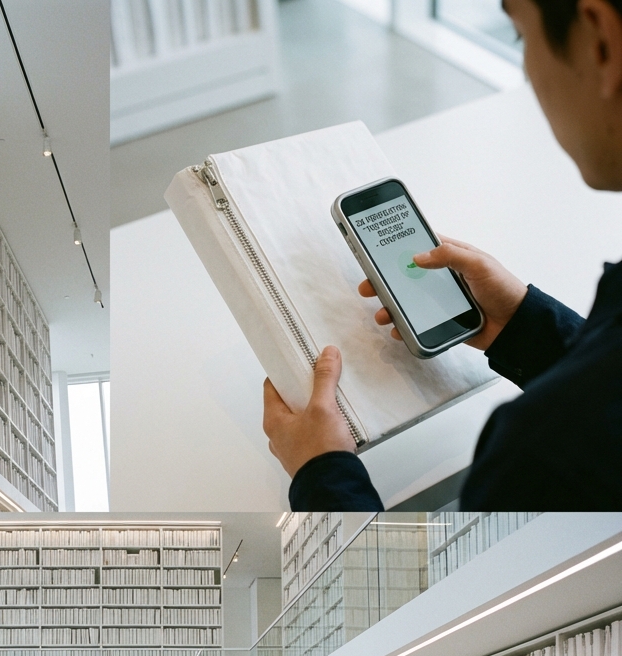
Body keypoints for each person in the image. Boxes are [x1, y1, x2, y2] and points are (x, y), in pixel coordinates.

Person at [263, 0, 622, 511]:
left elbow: (400, 573)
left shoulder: (541, 453)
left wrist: (320, 472)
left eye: (521, 36)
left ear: (601, 42)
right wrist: (527, 328)